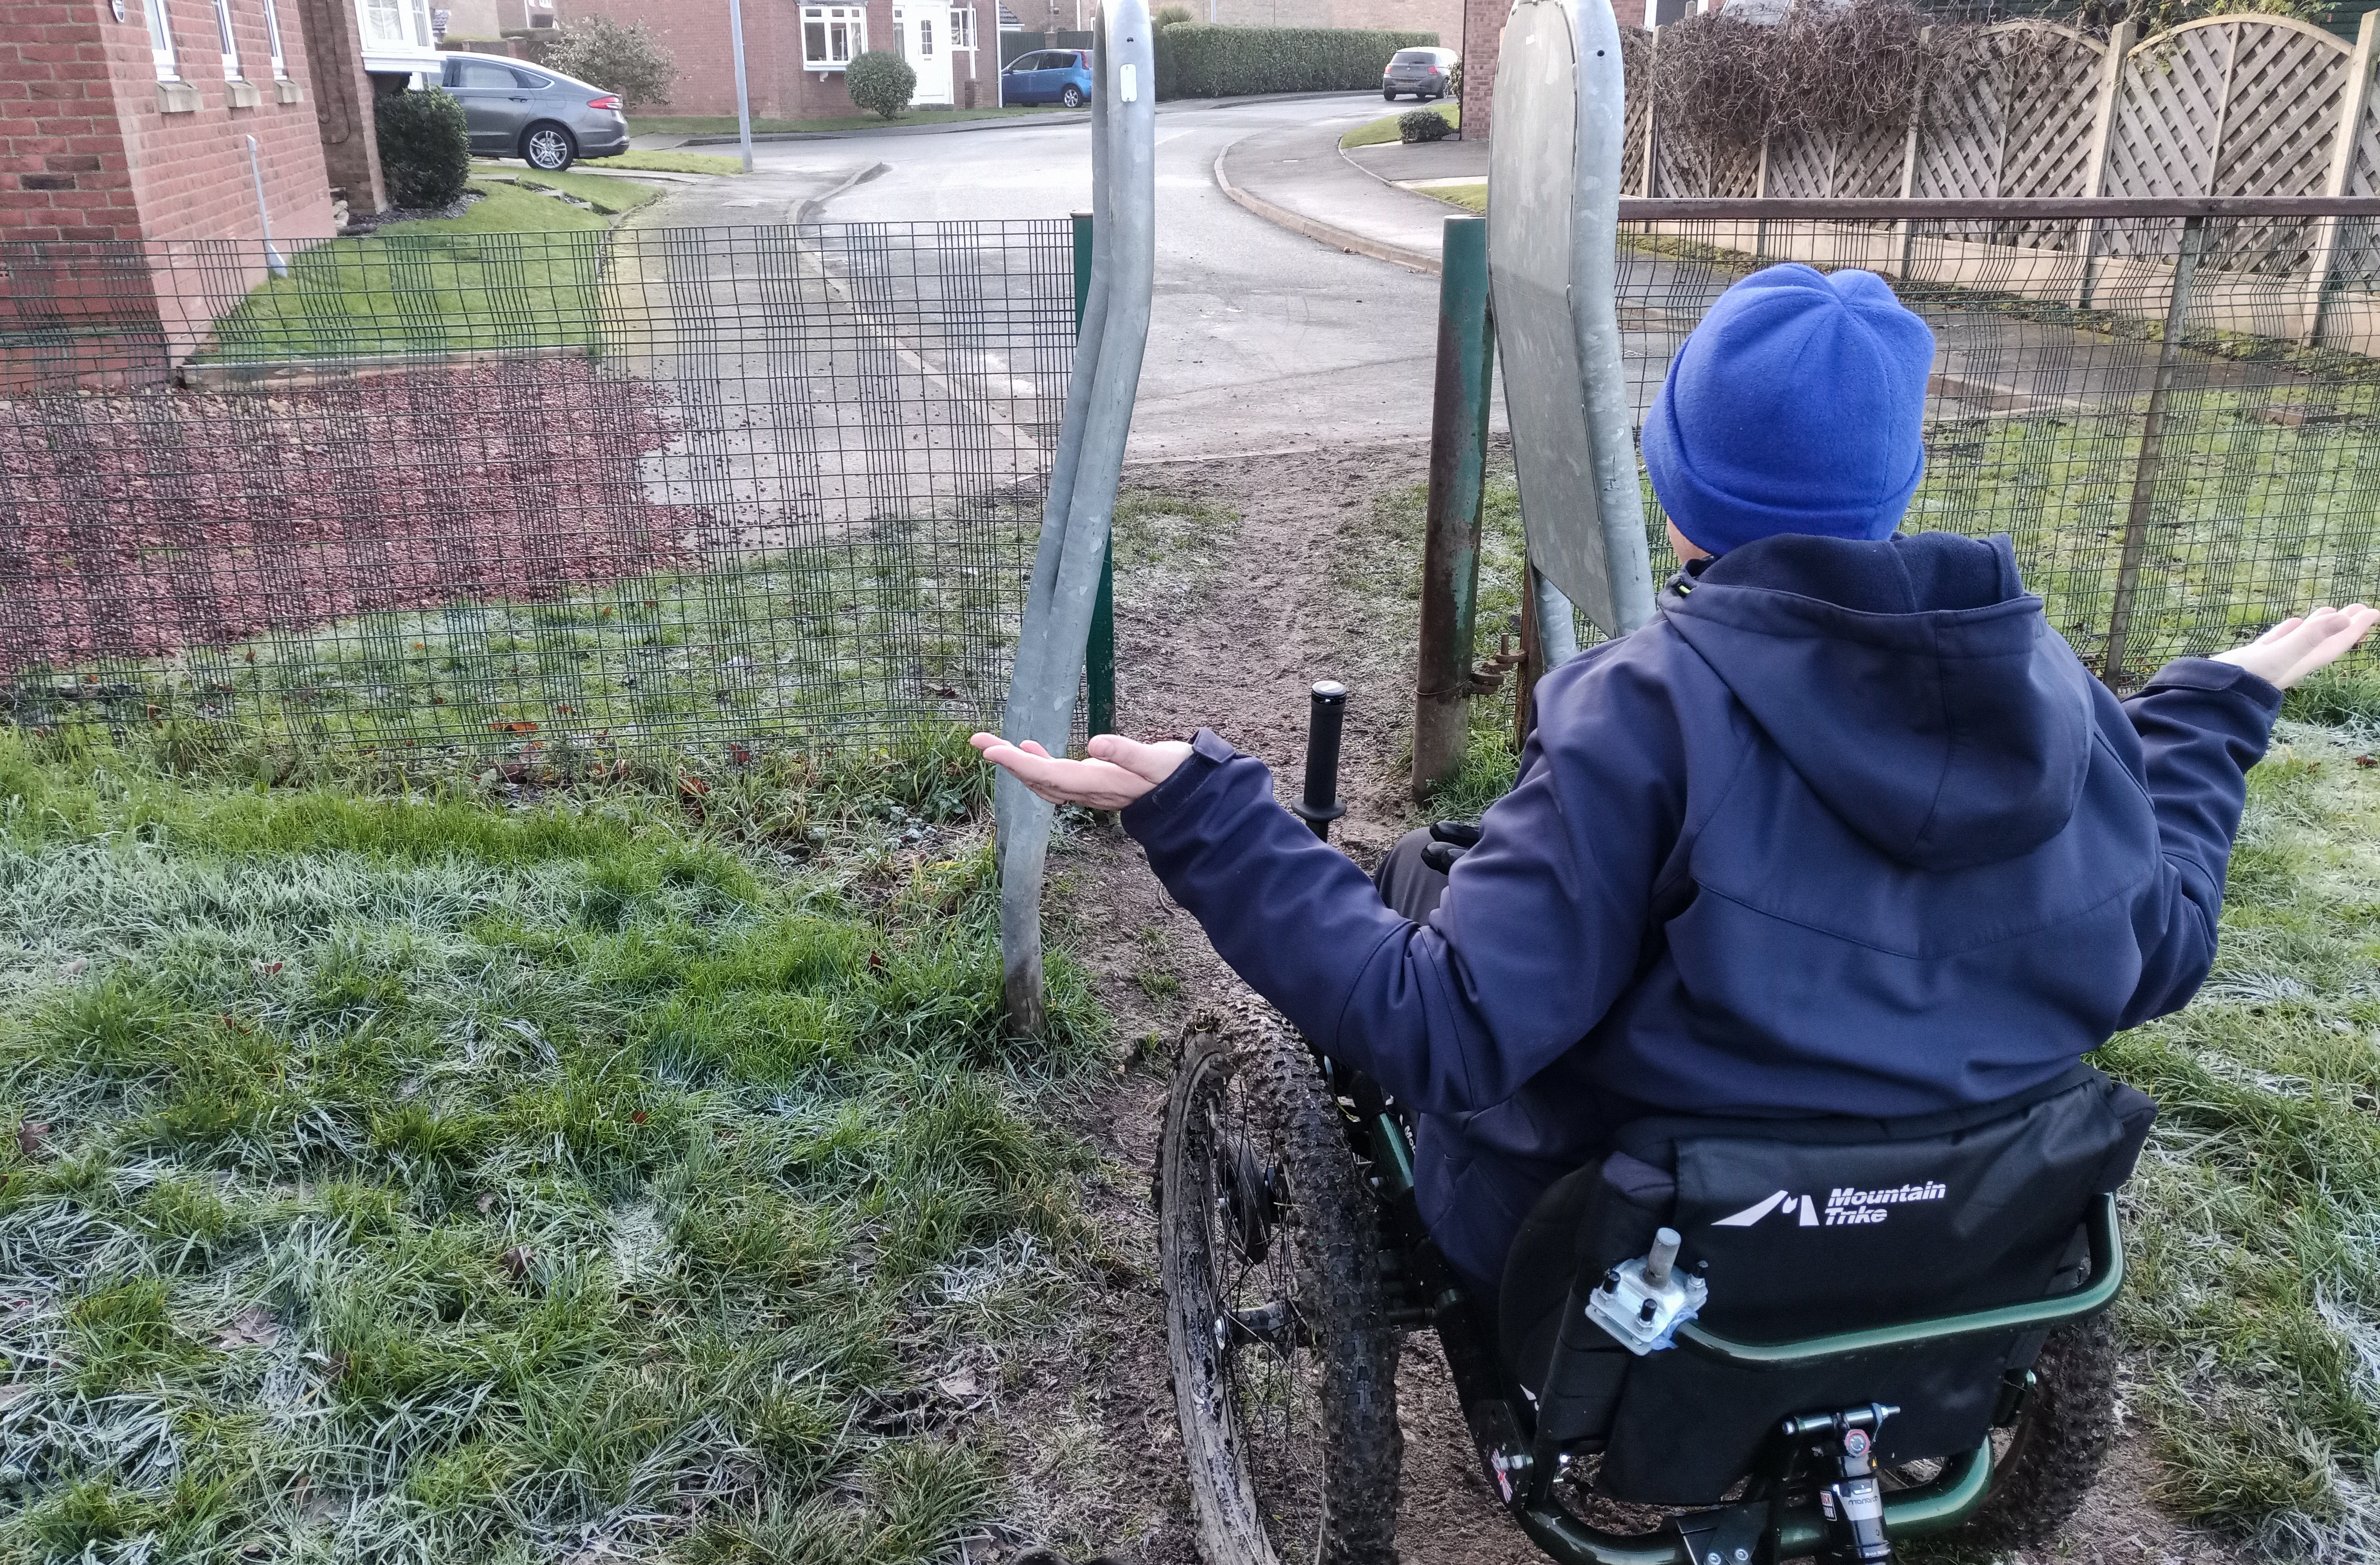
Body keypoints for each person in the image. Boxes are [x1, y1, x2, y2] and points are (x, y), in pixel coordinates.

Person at [976, 263, 2378, 1296]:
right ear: (1899, 486)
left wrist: (1205, 809)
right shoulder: (2065, 696)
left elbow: (1452, 1034)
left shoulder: (1638, 714)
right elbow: (2166, 945)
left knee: (1415, 885)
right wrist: (2215, 706)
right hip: (1974, 1225)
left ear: (1674, 497)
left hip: (1642, 1239)